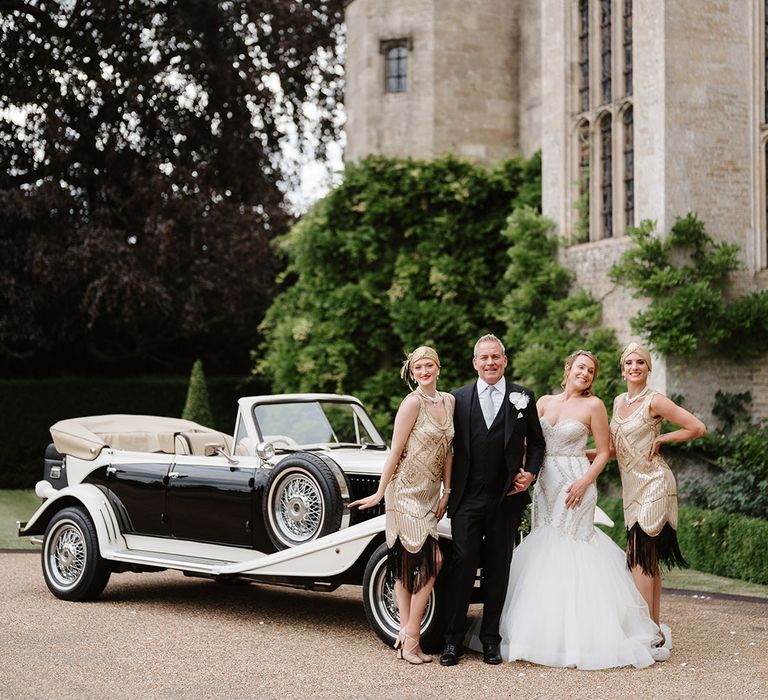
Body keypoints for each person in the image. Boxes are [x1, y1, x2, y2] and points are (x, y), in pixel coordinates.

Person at [493, 350, 666, 669]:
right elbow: (532, 445)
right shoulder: (543, 402)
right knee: (543, 544)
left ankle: (580, 637)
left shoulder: (594, 405)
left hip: (576, 482)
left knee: (570, 544)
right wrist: (523, 472)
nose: (585, 373)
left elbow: (603, 452)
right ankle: (539, 632)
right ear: (568, 368)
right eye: (581, 367)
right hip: (545, 483)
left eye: (591, 371)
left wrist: (585, 482)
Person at [439, 334, 545, 667]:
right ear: (475, 363)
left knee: (499, 569)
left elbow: (538, 444)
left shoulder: (523, 397)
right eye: (484, 358)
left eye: (495, 357)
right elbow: (444, 446)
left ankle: (490, 641)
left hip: (506, 499)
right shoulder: (457, 399)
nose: (490, 363)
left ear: (505, 360)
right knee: (463, 566)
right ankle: (453, 641)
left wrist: (529, 473)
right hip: (467, 497)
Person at [348, 346, 454, 664]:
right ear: (412, 372)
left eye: (429, 365)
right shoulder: (411, 403)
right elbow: (395, 450)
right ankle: (411, 634)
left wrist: (446, 490)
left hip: (429, 492)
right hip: (404, 490)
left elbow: (450, 449)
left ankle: (407, 639)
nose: (424, 371)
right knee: (430, 562)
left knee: (411, 567)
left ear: (438, 368)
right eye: (418, 367)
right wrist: (381, 492)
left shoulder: (449, 401)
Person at [610, 342, 706, 648]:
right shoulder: (616, 402)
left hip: (655, 483)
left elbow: (697, 427)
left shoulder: (655, 401)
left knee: (640, 556)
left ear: (648, 368)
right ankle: (652, 629)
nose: (635, 367)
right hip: (631, 486)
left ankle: (645, 632)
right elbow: (616, 451)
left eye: (641, 362)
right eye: (629, 362)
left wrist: (662, 436)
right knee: (646, 558)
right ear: (622, 368)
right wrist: (576, 455)